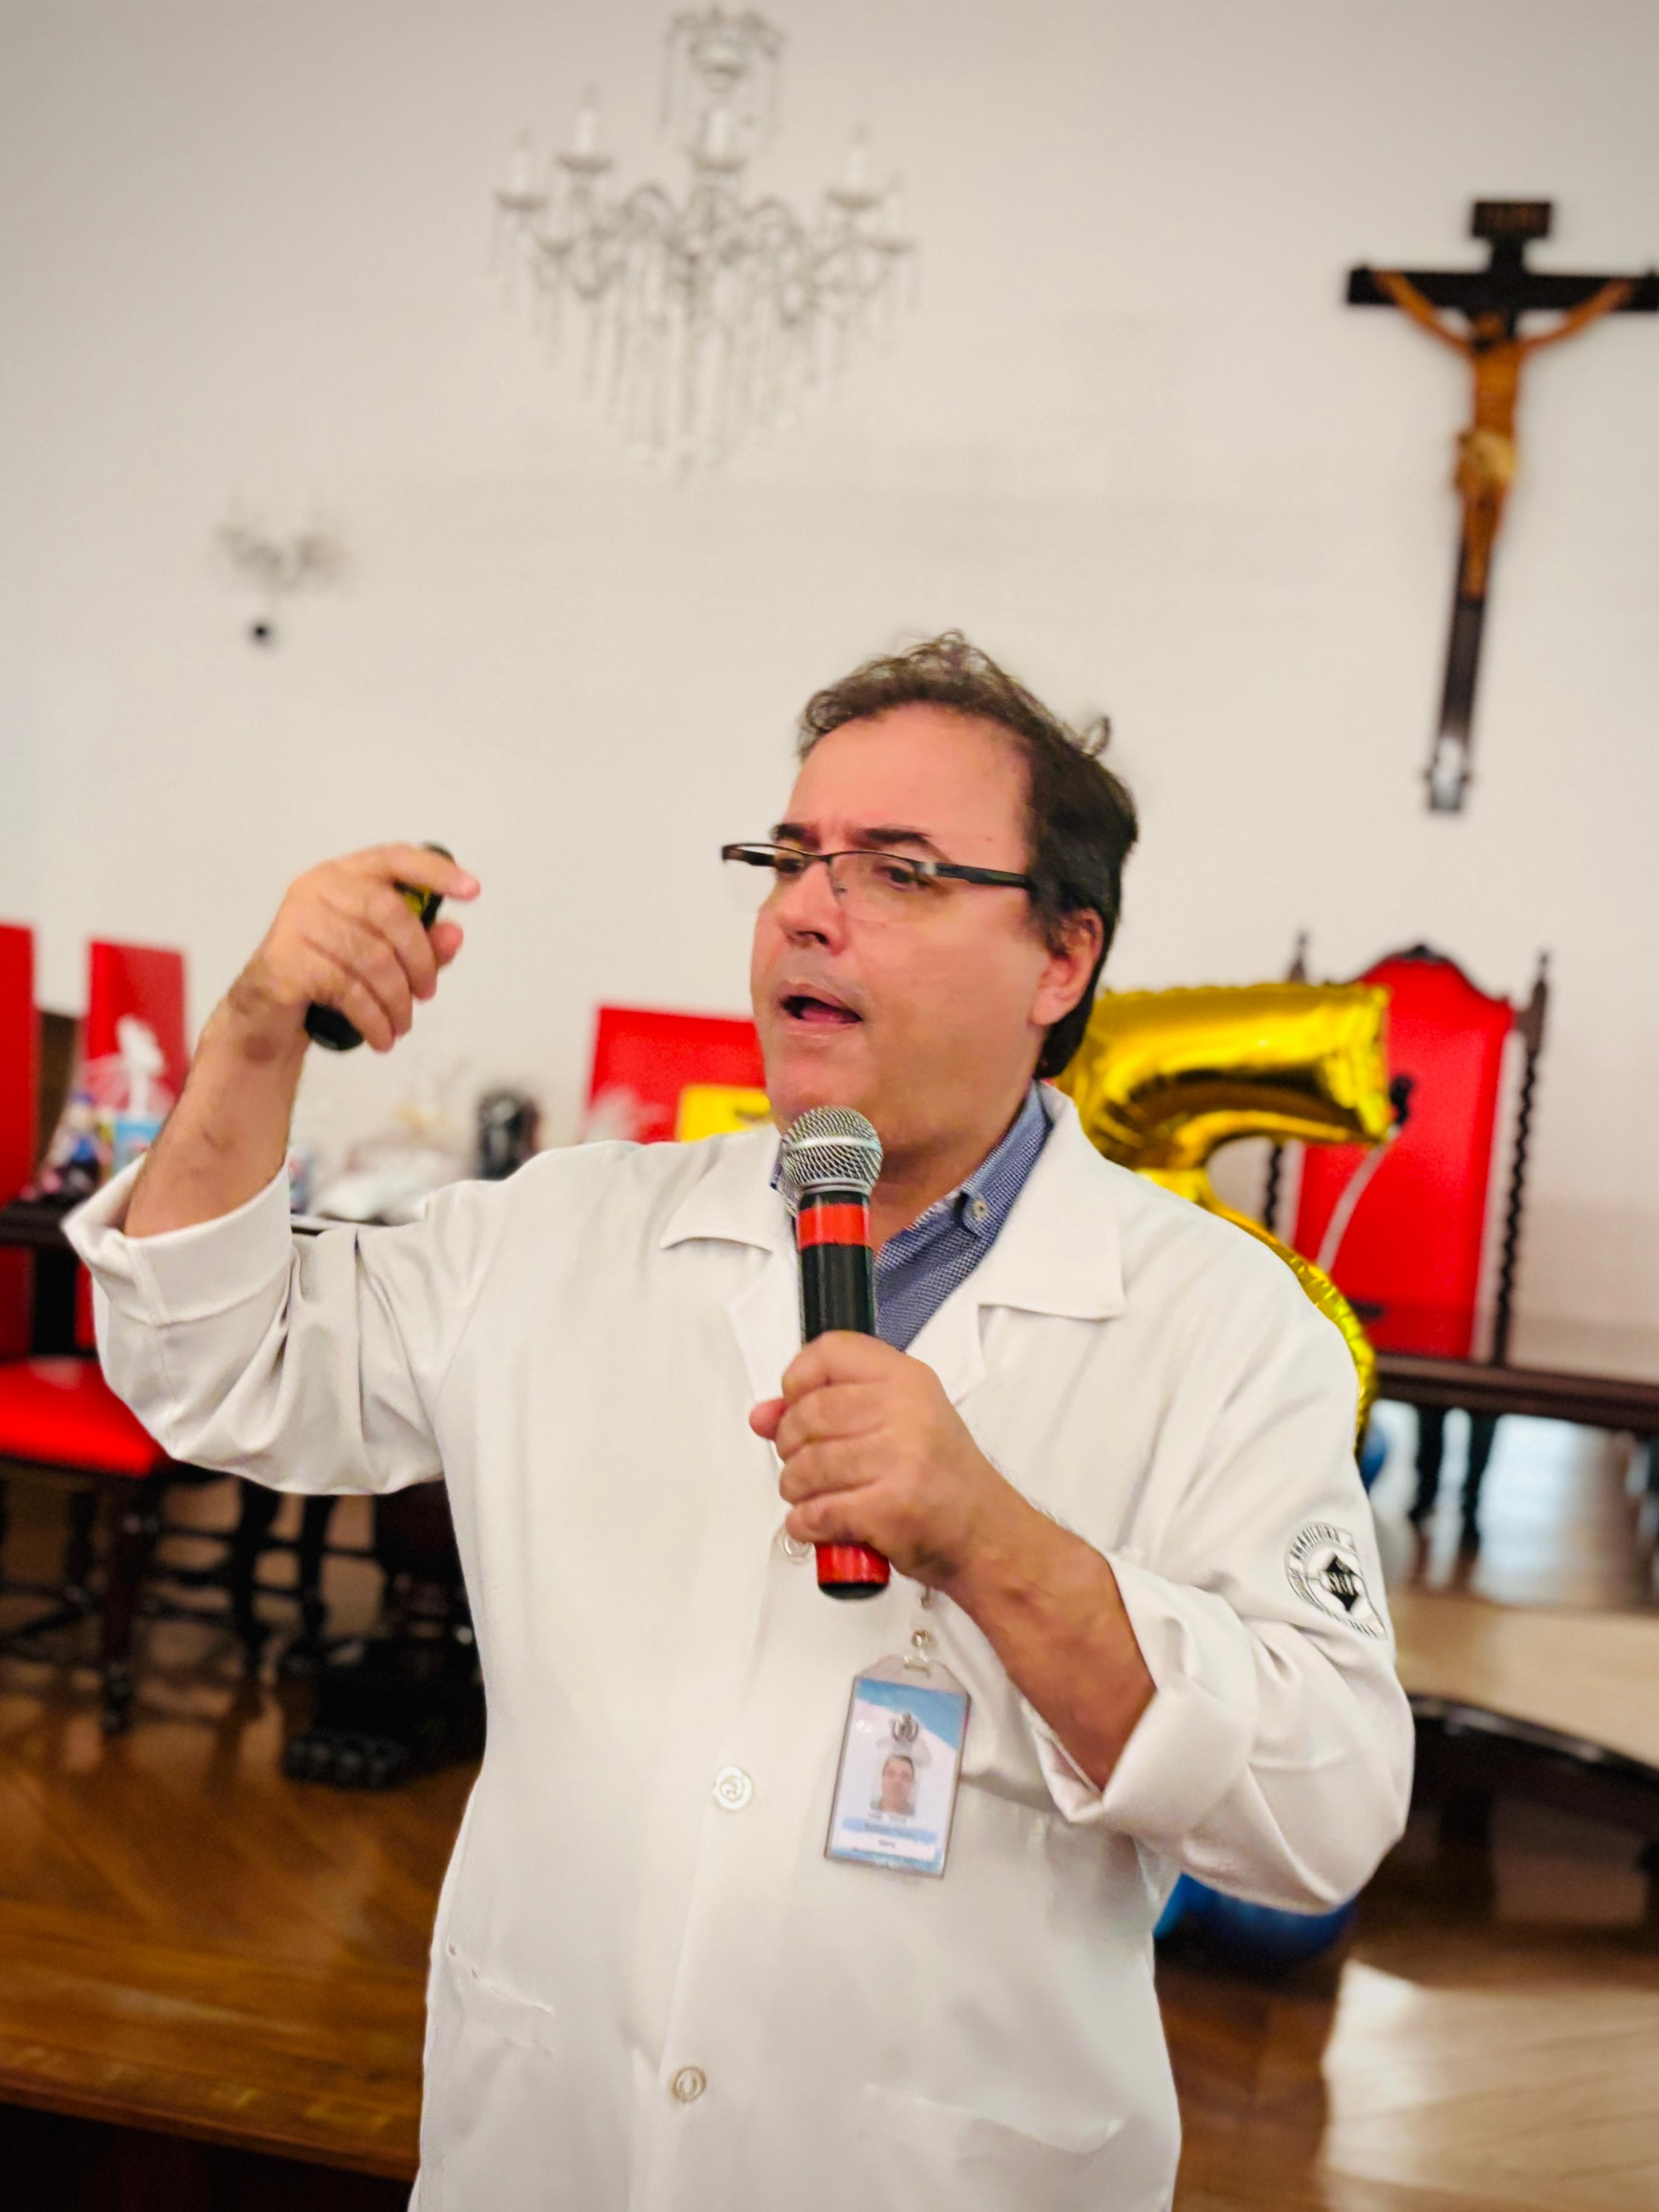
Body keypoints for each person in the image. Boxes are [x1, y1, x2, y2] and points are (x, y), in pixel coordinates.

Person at [69, 632, 1412, 2212]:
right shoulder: (567, 1229)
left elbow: (1322, 1809)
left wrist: (992, 1544)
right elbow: (213, 1359)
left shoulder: (1223, 1323)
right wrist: (253, 1033)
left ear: (1062, 959)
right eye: (789, 857)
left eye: (897, 870)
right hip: (549, 2147)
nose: (806, 908)